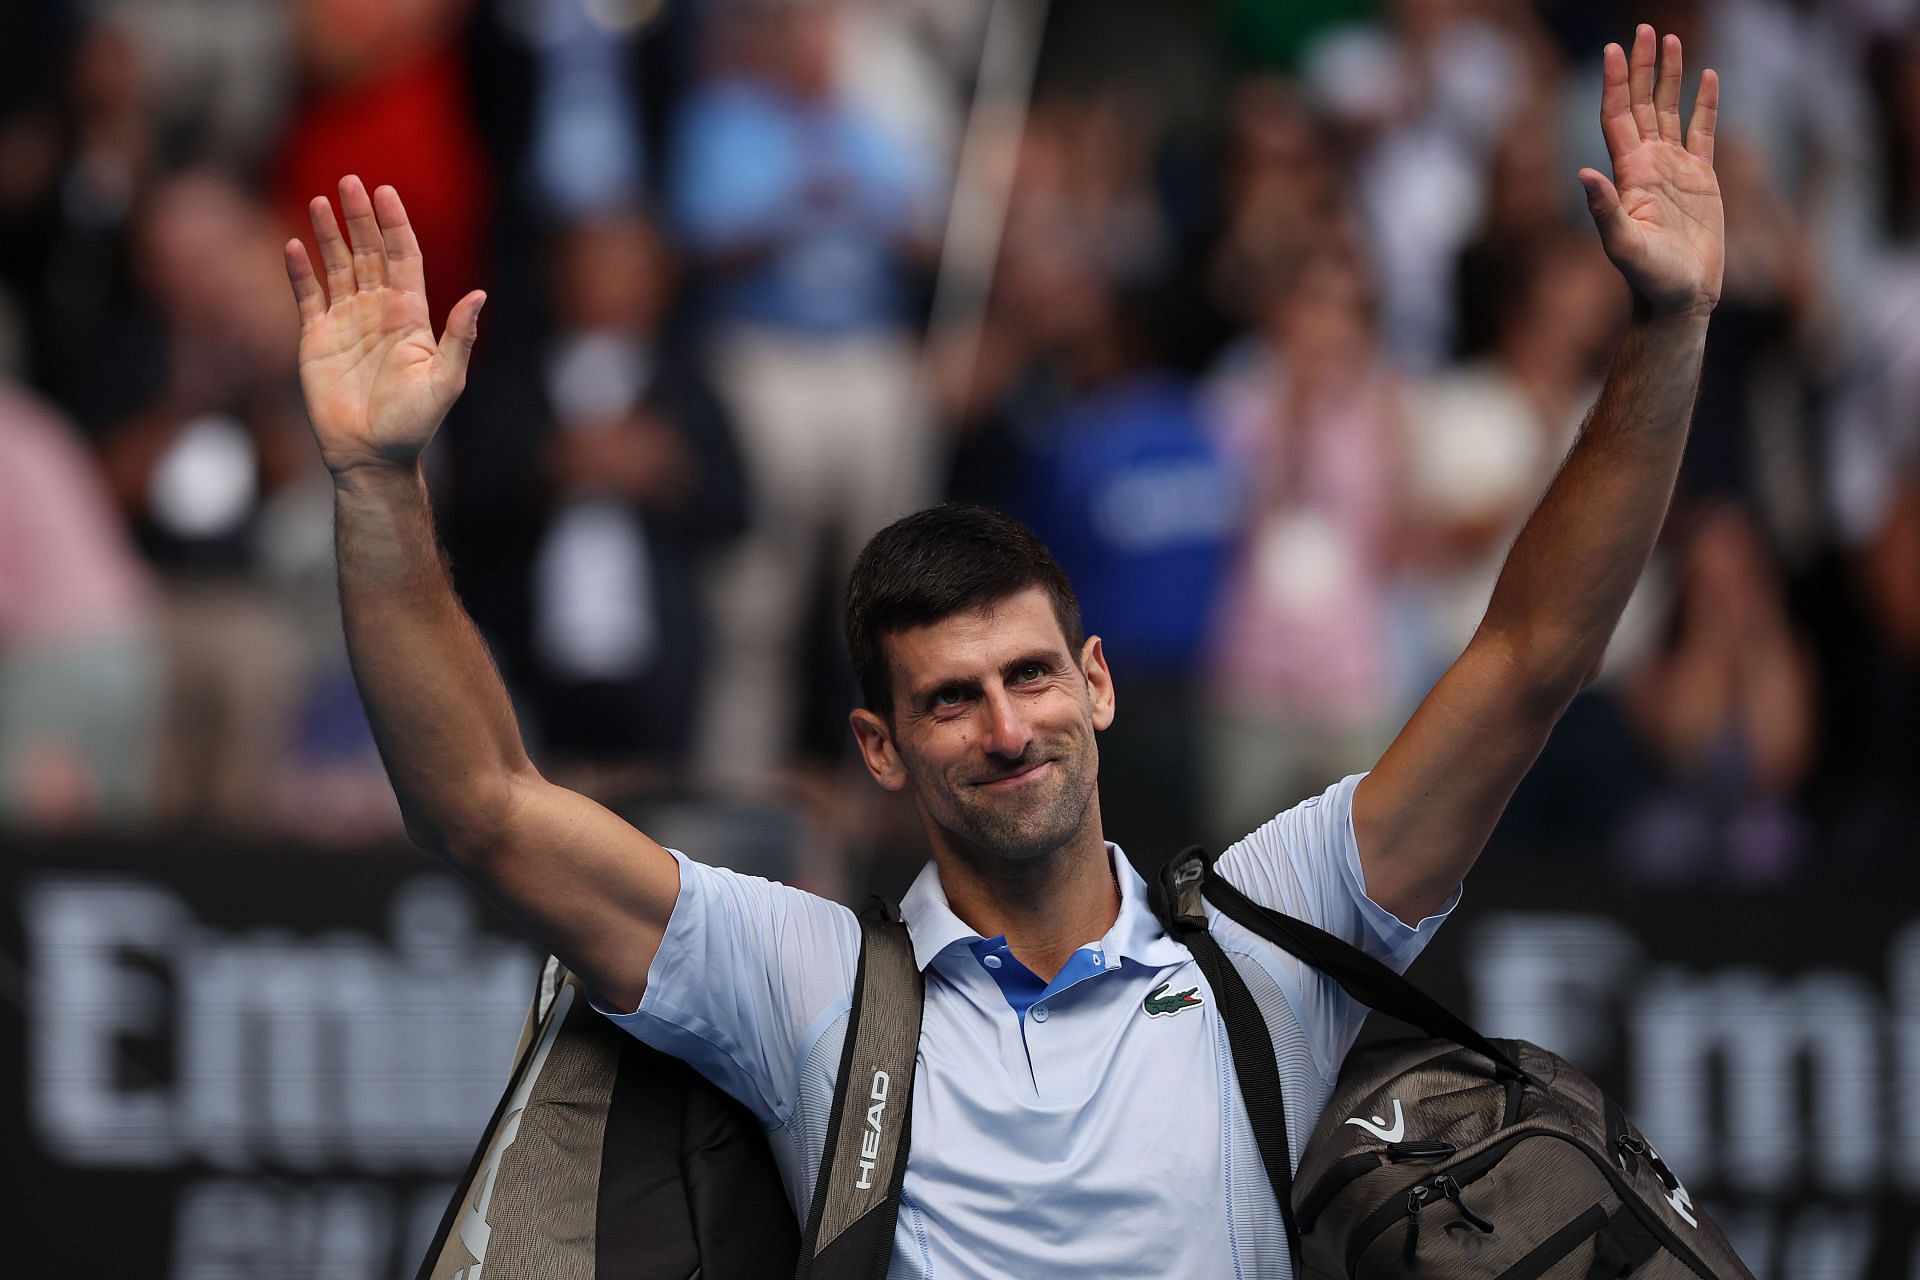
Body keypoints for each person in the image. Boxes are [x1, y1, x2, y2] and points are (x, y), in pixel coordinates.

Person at [282, 26, 1722, 1277]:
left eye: (1032, 676)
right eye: (951, 700)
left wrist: (1667, 326)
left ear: (1094, 681)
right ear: (879, 747)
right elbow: (476, 801)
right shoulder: (813, 986)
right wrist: (376, 484)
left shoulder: (1268, 944)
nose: (1008, 725)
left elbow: (1532, 653)